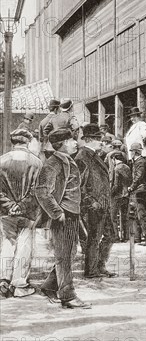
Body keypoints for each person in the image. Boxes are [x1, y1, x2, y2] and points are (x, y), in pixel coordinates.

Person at [35, 129, 91, 309]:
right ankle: (68, 296)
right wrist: (57, 213)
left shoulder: (66, 160)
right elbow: (42, 190)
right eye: (72, 140)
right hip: (64, 215)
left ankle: (49, 286)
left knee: (70, 253)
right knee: (64, 256)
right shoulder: (53, 163)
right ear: (64, 143)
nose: (76, 142)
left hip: (72, 213)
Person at [0, 129, 43, 298]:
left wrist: (10, 205)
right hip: (28, 212)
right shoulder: (37, 162)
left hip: (5, 211)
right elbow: (37, 190)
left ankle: (3, 279)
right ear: (27, 141)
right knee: (25, 245)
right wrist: (22, 205)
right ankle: (19, 284)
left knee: (7, 244)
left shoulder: (1, 161)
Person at [75, 124, 115, 278]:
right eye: (99, 139)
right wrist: (90, 202)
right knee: (94, 237)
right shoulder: (83, 157)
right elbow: (78, 185)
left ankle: (99, 265)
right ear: (90, 139)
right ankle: (92, 270)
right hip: (94, 206)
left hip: (103, 204)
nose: (102, 142)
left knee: (110, 235)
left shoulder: (93, 155)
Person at [128, 142, 146, 246]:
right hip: (141, 189)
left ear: (135, 152)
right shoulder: (139, 161)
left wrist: (132, 186)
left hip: (141, 190)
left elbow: (138, 176)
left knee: (142, 214)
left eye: (132, 152)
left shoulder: (140, 162)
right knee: (141, 214)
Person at [110, 151, 132, 243]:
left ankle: (116, 237)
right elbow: (130, 180)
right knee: (124, 216)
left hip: (117, 195)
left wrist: (110, 193)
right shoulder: (127, 167)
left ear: (114, 159)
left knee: (113, 217)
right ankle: (126, 236)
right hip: (126, 194)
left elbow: (116, 185)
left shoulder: (116, 169)